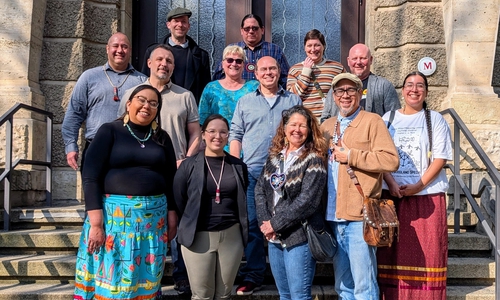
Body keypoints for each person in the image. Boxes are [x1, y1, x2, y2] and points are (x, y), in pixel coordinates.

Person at [74, 85, 177, 300]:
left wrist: (172, 215)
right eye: (141, 99)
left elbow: (170, 179)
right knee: (113, 282)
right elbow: (91, 176)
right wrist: (95, 223)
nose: (146, 106)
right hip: (114, 223)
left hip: (152, 225)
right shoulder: (109, 131)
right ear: (129, 103)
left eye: (153, 103)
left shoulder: (162, 137)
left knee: (145, 281)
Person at [119, 44, 201, 295]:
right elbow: (121, 128)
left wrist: (186, 160)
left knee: (177, 222)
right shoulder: (132, 92)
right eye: (159, 60)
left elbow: (196, 133)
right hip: (140, 173)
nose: (164, 64)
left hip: (177, 170)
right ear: (149, 63)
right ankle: (139, 274)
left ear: (174, 67)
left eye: (169, 61)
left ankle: (181, 274)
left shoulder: (184, 95)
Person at [320, 73, 399, 299]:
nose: (345, 96)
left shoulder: (372, 121)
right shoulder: (326, 126)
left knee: (364, 285)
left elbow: (390, 160)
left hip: (359, 216)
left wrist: (352, 155)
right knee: (343, 285)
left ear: (359, 94)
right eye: (340, 92)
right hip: (332, 216)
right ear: (333, 97)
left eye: (350, 91)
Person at [229, 56, 301, 295]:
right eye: (263, 69)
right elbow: (236, 135)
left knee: (287, 223)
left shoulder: (293, 100)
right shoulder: (245, 102)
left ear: (279, 71)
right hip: (252, 172)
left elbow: (302, 132)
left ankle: (289, 275)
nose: (268, 72)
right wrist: (237, 165)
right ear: (256, 74)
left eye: (273, 68)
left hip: (286, 172)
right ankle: (254, 274)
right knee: (252, 224)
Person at [377, 71, 452, 300]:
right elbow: (379, 155)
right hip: (392, 197)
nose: (414, 89)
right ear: (402, 90)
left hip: (427, 196)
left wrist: (417, 186)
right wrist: (392, 182)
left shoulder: (435, 119)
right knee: (391, 255)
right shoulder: (387, 119)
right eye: (409, 84)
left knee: (428, 256)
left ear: (426, 92)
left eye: (420, 85)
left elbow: (440, 158)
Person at [255, 105, 327, 300]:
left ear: (310, 130)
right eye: (293, 124)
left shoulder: (314, 160)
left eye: (303, 126)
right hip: (274, 238)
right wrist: (265, 224)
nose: (297, 129)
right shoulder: (274, 157)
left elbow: (307, 202)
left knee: (299, 296)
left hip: (299, 237)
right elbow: (260, 190)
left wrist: (274, 224)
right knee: (284, 296)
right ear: (284, 128)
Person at [173, 114, 249, 300]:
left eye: (223, 132)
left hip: (231, 236)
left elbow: (241, 196)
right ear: (203, 134)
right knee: (202, 295)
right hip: (198, 236)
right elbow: (179, 198)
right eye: (212, 131)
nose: (218, 136)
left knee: (224, 294)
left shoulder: (238, 166)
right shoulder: (189, 165)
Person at [62, 32, 147, 171]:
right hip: (96, 147)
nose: (120, 50)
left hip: (131, 149)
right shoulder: (89, 77)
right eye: (116, 46)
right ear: (107, 49)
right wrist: (71, 146)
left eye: (124, 47)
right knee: (93, 191)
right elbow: (74, 113)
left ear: (130, 51)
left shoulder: (142, 81)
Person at [141, 7, 211, 104]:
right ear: (168, 25)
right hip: (159, 107)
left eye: (183, 21)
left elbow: (205, 90)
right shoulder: (152, 51)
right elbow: (145, 83)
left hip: (189, 109)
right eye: (176, 21)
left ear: (188, 26)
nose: (180, 25)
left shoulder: (202, 56)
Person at [198, 45, 259, 151]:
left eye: (239, 61)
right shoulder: (211, 88)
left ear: (244, 65)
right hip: (218, 146)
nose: (234, 64)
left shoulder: (254, 86)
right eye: (230, 60)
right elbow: (203, 121)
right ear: (222, 64)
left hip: (249, 148)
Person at [320, 43, 400, 123]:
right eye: (354, 58)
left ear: (371, 60)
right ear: (348, 61)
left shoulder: (383, 86)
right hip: (341, 133)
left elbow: (394, 118)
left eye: (363, 58)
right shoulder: (337, 87)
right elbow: (325, 117)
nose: (358, 62)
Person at [212, 14, 290, 89]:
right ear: (241, 31)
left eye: (255, 28)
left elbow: (285, 79)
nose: (251, 31)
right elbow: (218, 77)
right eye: (247, 29)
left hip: (266, 98)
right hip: (236, 98)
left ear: (262, 30)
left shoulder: (275, 50)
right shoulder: (231, 50)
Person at [287, 29, 345, 118]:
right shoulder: (295, 70)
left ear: (324, 46)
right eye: (309, 46)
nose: (313, 49)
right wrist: (305, 74)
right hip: (305, 121)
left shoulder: (337, 68)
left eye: (317, 45)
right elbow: (291, 98)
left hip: (330, 120)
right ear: (304, 48)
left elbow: (345, 92)